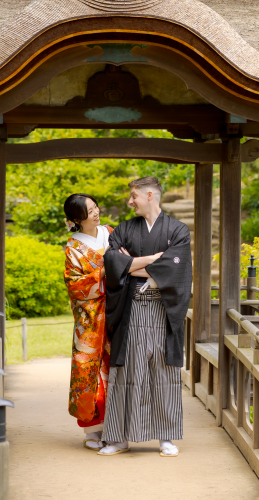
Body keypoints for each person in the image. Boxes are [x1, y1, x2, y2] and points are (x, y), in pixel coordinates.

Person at [99, 177, 192, 457]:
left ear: (149, 195)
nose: (130, 201)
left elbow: (176, 269)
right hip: (131, 310)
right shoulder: (125, 229)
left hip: (163, 311)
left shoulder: (178, 230)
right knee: (127, 372)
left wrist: (131, 265)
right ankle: (118, 437)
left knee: (163, 372)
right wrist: (154, 260)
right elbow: (111, 264)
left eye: (133, 196)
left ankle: (166, 436)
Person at [63, 193, 113, 451]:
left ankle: (117, 426)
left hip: (117, 312)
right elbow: (74, 286)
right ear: (76, 219)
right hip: (90, 319)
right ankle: (92, 430)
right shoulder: (73, 248)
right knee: (89, 372)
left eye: (96, 207)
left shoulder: (111, 233)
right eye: (89, 211)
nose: (96, 213)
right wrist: (103, 271)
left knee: (117, 368)